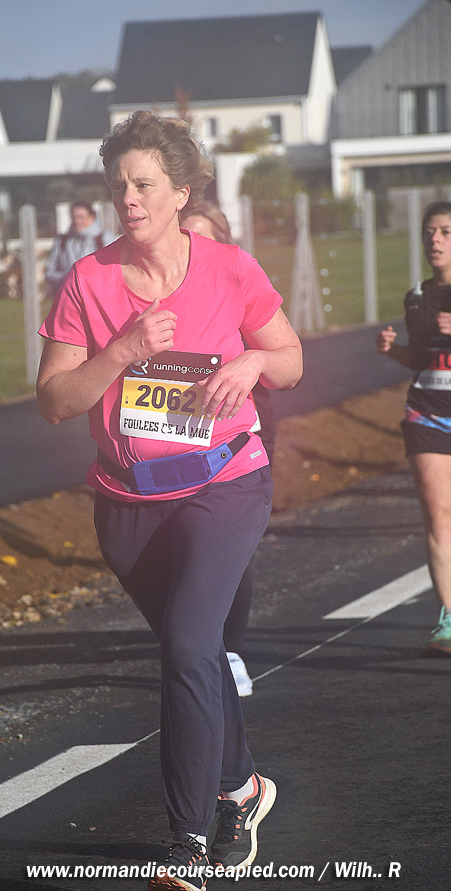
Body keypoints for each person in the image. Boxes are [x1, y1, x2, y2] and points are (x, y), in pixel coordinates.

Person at [36, 110, 303, 891]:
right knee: (196, 653)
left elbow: (289, 359)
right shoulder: (87, 282)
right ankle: (242, 788)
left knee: (187, 643)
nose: (127, 198)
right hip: (127, 505)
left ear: (180, 192)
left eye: (144, 184)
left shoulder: (228, 268)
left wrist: (251, 362)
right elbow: (54, 401)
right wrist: (122, 350)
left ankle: (186, 840)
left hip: (224, 483)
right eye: (118, 184)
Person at [181, 203, 276, 698]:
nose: (191, 247)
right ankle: (195, 647)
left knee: (224, 545)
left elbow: (284, 358)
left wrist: (253, 361)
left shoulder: (238, 280)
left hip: (238, 433)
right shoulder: (156, 290)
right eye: (183, 236)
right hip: (175, 434)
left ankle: (229, 650)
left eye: (202, 238)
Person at [376, 200, 451, 657]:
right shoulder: (417, 297)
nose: (435, 239)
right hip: (429, 414)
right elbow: (421, 358)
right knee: (441, 518)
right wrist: (393, 351)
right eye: (430, 231)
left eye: (445, 231)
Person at [44, 199, 117, 297]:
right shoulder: (62, 240)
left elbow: (113, 271)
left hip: (99, 297)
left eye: (81, 217)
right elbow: (49, 272)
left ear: (92, 217)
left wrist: (86, 280)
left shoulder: (104, 238)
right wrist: (68, 278)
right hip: (68, 298)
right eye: (74, 217)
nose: (77, 221)